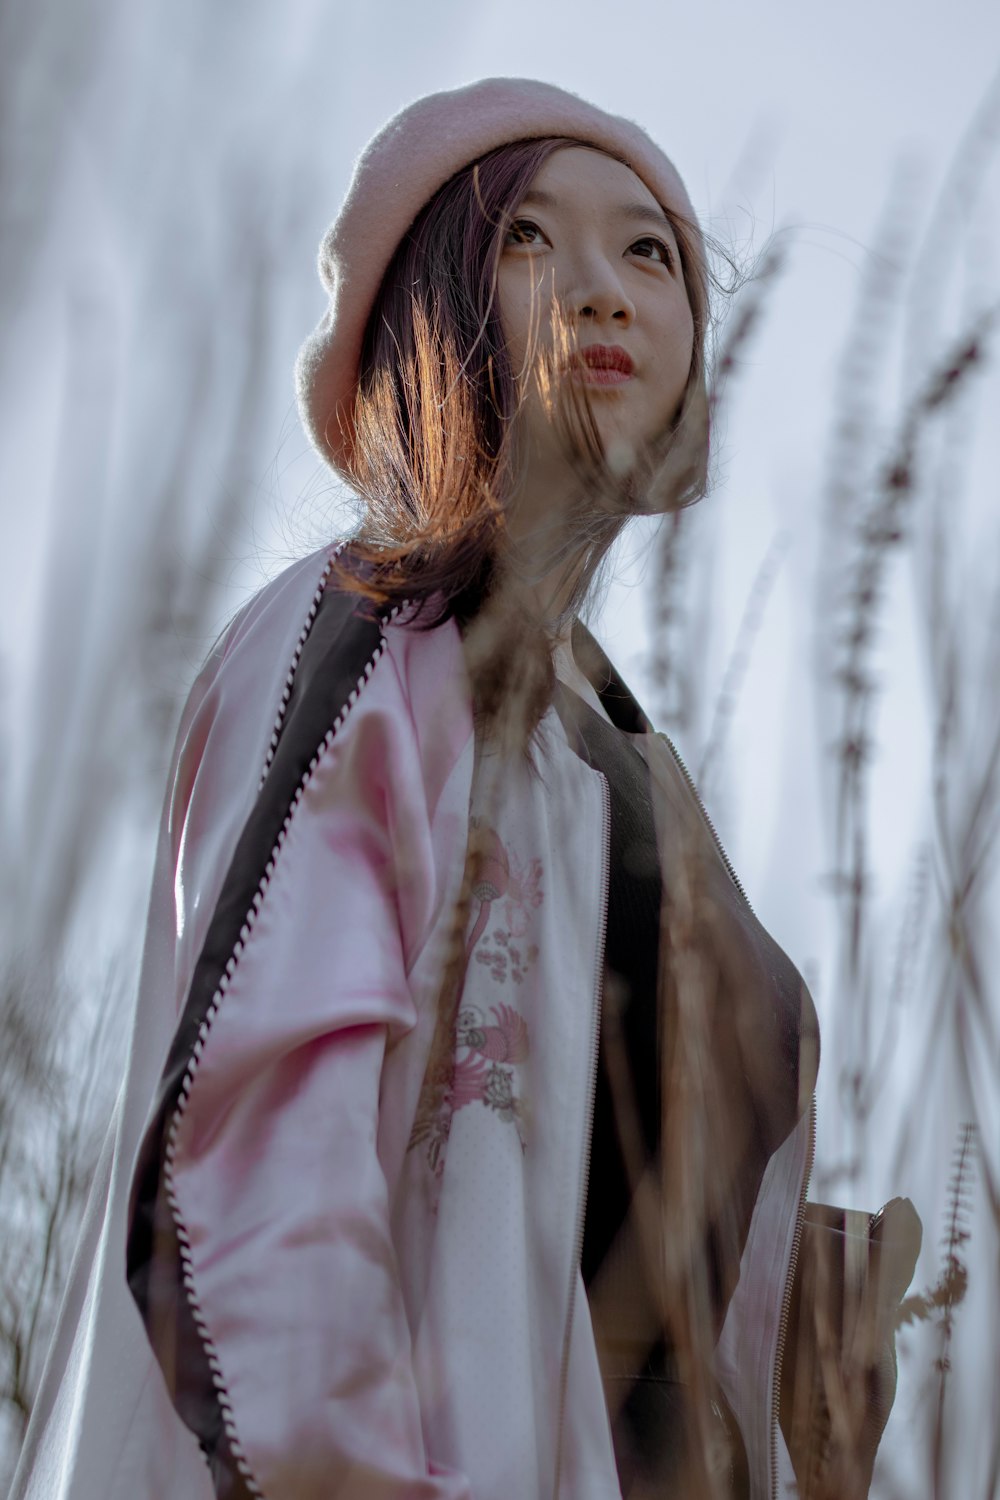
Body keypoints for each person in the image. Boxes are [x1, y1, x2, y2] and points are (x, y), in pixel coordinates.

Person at [11, 77, 918, 1500]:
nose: (601, 292)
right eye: (526, 241)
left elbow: (623, 1253)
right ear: (422, 313)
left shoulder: (629, 769)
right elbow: (255, 1167)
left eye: (650, 253)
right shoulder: (371, 638)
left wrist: (806, 1314)